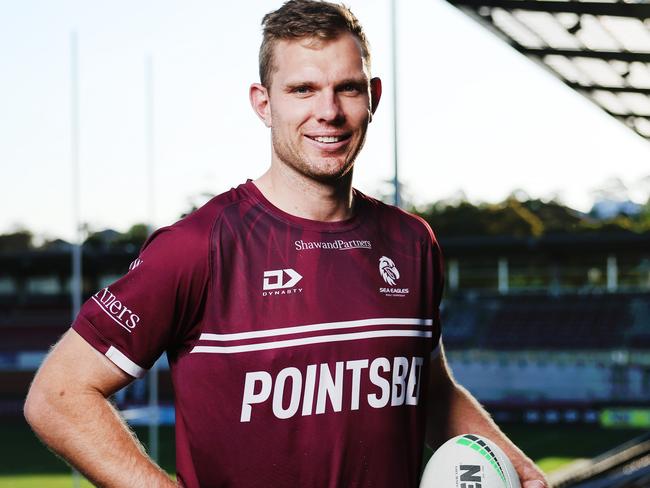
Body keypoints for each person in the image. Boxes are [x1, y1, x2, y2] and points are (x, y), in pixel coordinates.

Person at [24, 1, 548, 487]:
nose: (329, 111)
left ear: (374, 98)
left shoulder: (413, 242)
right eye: (302, 90)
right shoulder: (198, 246)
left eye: (348, 88)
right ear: (263, 103)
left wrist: (511, 461)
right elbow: (58, 395)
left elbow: (428, 390)